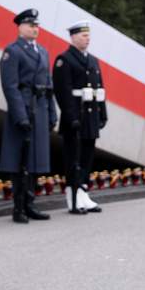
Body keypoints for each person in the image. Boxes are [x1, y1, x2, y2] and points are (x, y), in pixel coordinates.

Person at [0, 8, 57, 223]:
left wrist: (52, 112)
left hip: (40, 109)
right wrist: (20, 115)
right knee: (19, 160)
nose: (35, 29)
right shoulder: (12, 51)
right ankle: (18, 207)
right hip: (22, 109)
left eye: (36, 25)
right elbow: (10, 86)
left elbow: (48, 85)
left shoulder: (43, 51)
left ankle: (31, 203)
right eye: (30, 25)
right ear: (20, 27)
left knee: (35, 161)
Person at [52, 21, 107, 214]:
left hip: (90, 114)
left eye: (88, 35)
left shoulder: (92, 60)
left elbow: (99, 88)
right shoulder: (64, 60)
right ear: (73, 37)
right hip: (75, 115)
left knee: (87, 155)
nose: (87, 39)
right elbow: (62, 91)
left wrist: (103, 112)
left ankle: (83, 190)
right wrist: (71, 116)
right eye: (83, 35)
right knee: (72, 156)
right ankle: (72, 194)